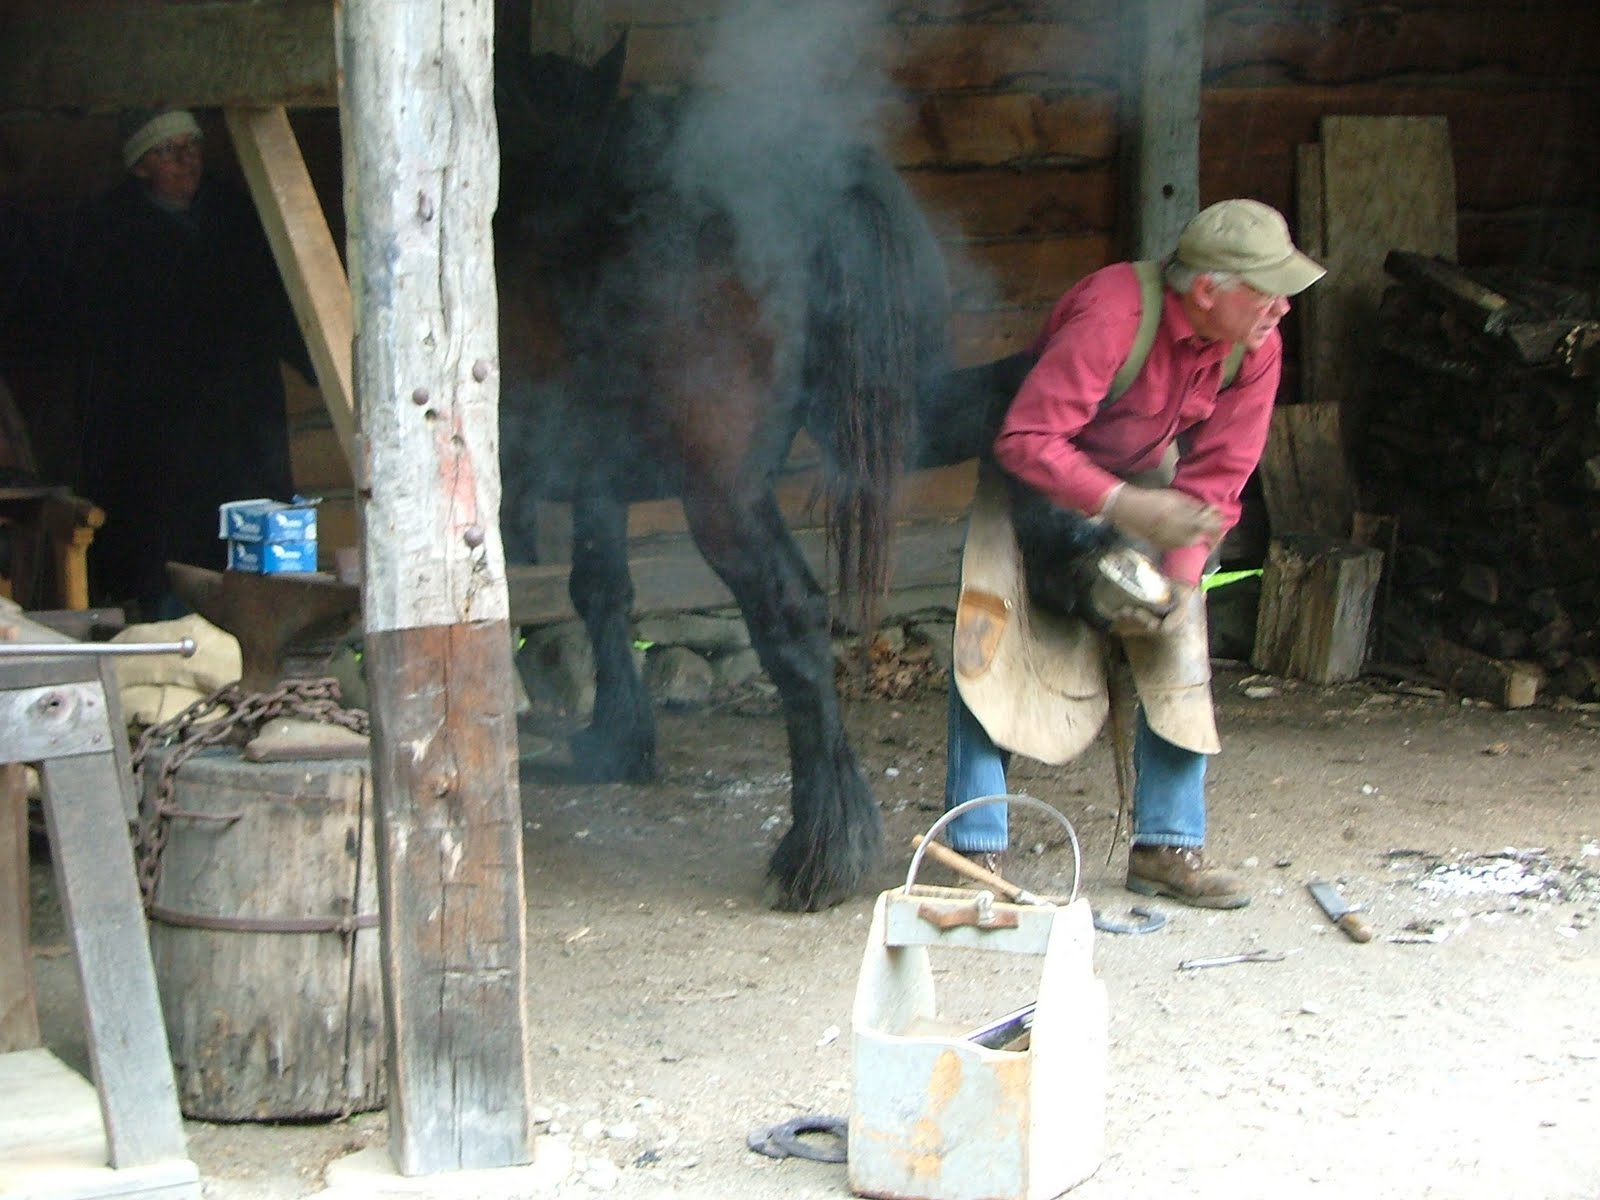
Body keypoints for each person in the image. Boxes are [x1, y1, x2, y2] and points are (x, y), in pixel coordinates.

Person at [943, 198, 1325, 909]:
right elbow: (1026, 442)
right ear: (1206, 290)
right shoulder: (1114, 315)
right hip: (1037, 465)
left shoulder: (1255, 346)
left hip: (1143, 476)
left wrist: (1178, 580)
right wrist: (1120, 506)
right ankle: (975, 853)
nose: (1282, 309)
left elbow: (1220, 472)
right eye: (1266, 292)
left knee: (1176, 634)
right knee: (988, 637)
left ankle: (1166, 847)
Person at [68, 108, 313, 617]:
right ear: (139, 167)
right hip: (159, 425)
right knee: (166, 543)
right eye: (168, 151)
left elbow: (279, 301)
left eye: (193, 146)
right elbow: (98, 341)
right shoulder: (110, 230)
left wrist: (318, 362)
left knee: (251, 534)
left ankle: (259, 635)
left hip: (242, 415)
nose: (187, 161)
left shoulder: (234, 214)